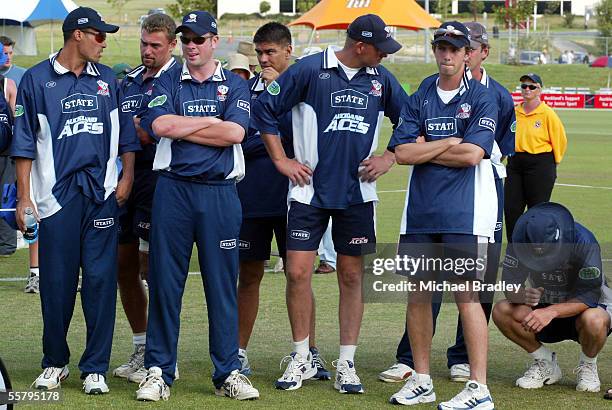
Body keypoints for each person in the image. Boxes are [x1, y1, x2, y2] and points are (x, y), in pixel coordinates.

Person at [252, 13, 405, 394]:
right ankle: (301, 356)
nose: (385, 56)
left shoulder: (381, 79)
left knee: (352, 277)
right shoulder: (308, 70)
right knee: (298, 273)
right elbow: (264, 111)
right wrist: (280, 160)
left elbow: (410, 120)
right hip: (308, 192)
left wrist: (389, 157)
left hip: (357, 194)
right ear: (360, 46)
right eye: (380, 49)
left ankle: (347, 363)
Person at [11, 7, 140, 394]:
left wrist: (128, 174)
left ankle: (95, 367)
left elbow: (125, 138)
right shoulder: (36, 80)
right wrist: (23, 198)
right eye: (100, 36)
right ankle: (55, 362)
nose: (105, 43)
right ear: (78, 35)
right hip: (55, 199)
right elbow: (23, 144)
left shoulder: (108, 81)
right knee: (56, 283)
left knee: (101, 282)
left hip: (101, 195)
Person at [379, 21, 516, 386]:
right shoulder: (423, 91)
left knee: (467, 294)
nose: (447, 54)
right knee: (419, 294)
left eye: (455, 48)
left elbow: (473, 155)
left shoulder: (485, 96)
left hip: (465, 212)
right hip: (421, 212)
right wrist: (448, 142)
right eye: (441, 47)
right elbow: (403, 152)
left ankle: (477, 384)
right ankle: (420, 379)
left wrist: (429, 147)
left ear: (469, 53)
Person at [135, 10, 259, 402]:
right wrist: (210, 126)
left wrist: (184, 124)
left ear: (214, 41)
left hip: (219, 195)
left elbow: (236, 132)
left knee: (221, 286)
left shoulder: (235, 85)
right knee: (165, 282)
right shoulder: (168, 78)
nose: (191, 46)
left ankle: (227, 372)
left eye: (198, 39)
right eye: (186, 39)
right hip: (173, 190)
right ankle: (158, 370)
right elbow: (160, 127)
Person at [236, 21, 330, 381]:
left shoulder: (307, 87)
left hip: (298, 197)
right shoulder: (244, 91)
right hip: (252, 197)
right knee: (249, 275)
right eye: (259, 53)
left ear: (288, 50)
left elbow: (307, 137)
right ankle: (238, 353)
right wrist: (271, 140)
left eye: (270, 52)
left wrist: (265, 135)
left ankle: (309, 352)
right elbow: (238, 138)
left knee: (300, 276)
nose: (263, 59)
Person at [111, 13, 181, 384]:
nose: (148, 51)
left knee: (158, 270)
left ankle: (162, 352)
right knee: (124, 264)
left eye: (155, 45)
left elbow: (155, 130)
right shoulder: (131, 81)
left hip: (163, 182)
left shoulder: (181, 79)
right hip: (127, 178)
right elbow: (125, 130)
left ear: (172, 44)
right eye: (144, 44)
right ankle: (141, 347)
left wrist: (145, 130)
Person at [492, 202, 612, 393]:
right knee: (502, 310)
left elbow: (590, 296)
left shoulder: (583, 240)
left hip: (583, 311)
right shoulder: (520, 239)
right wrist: (523, 295)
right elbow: (510, 286)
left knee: (595, 320)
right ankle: (545, 362)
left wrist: (551, 311)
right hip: (543, 309)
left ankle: (588, 364)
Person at [504, 73, 567, 242]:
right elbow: (506, 136)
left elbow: (560, 140)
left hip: (540, 163)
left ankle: (534, 255)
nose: (527, 89)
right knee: (511, 209)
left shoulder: (547, 113)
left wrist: (552, 164)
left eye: (532, 86)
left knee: (537, 212)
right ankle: (515, 253)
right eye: (524, 86)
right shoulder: (515, 111)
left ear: (539, 89)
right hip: (515, 163)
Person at [0, 51, 17, 260]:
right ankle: (6, 244)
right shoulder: (9, 85)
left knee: (6, 198)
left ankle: (6, 244)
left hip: (6, 152)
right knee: (5, 198)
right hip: (6, 152)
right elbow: (17, 121)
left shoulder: (9, 85)